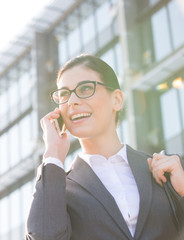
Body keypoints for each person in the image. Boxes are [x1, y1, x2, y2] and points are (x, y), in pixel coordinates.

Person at [26, 54, 184, 240]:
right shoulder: (59, 190)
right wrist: (52, 155)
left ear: (116, 100)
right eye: (64, 95)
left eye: (85, 88)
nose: (72, 102)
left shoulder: (166, 171)